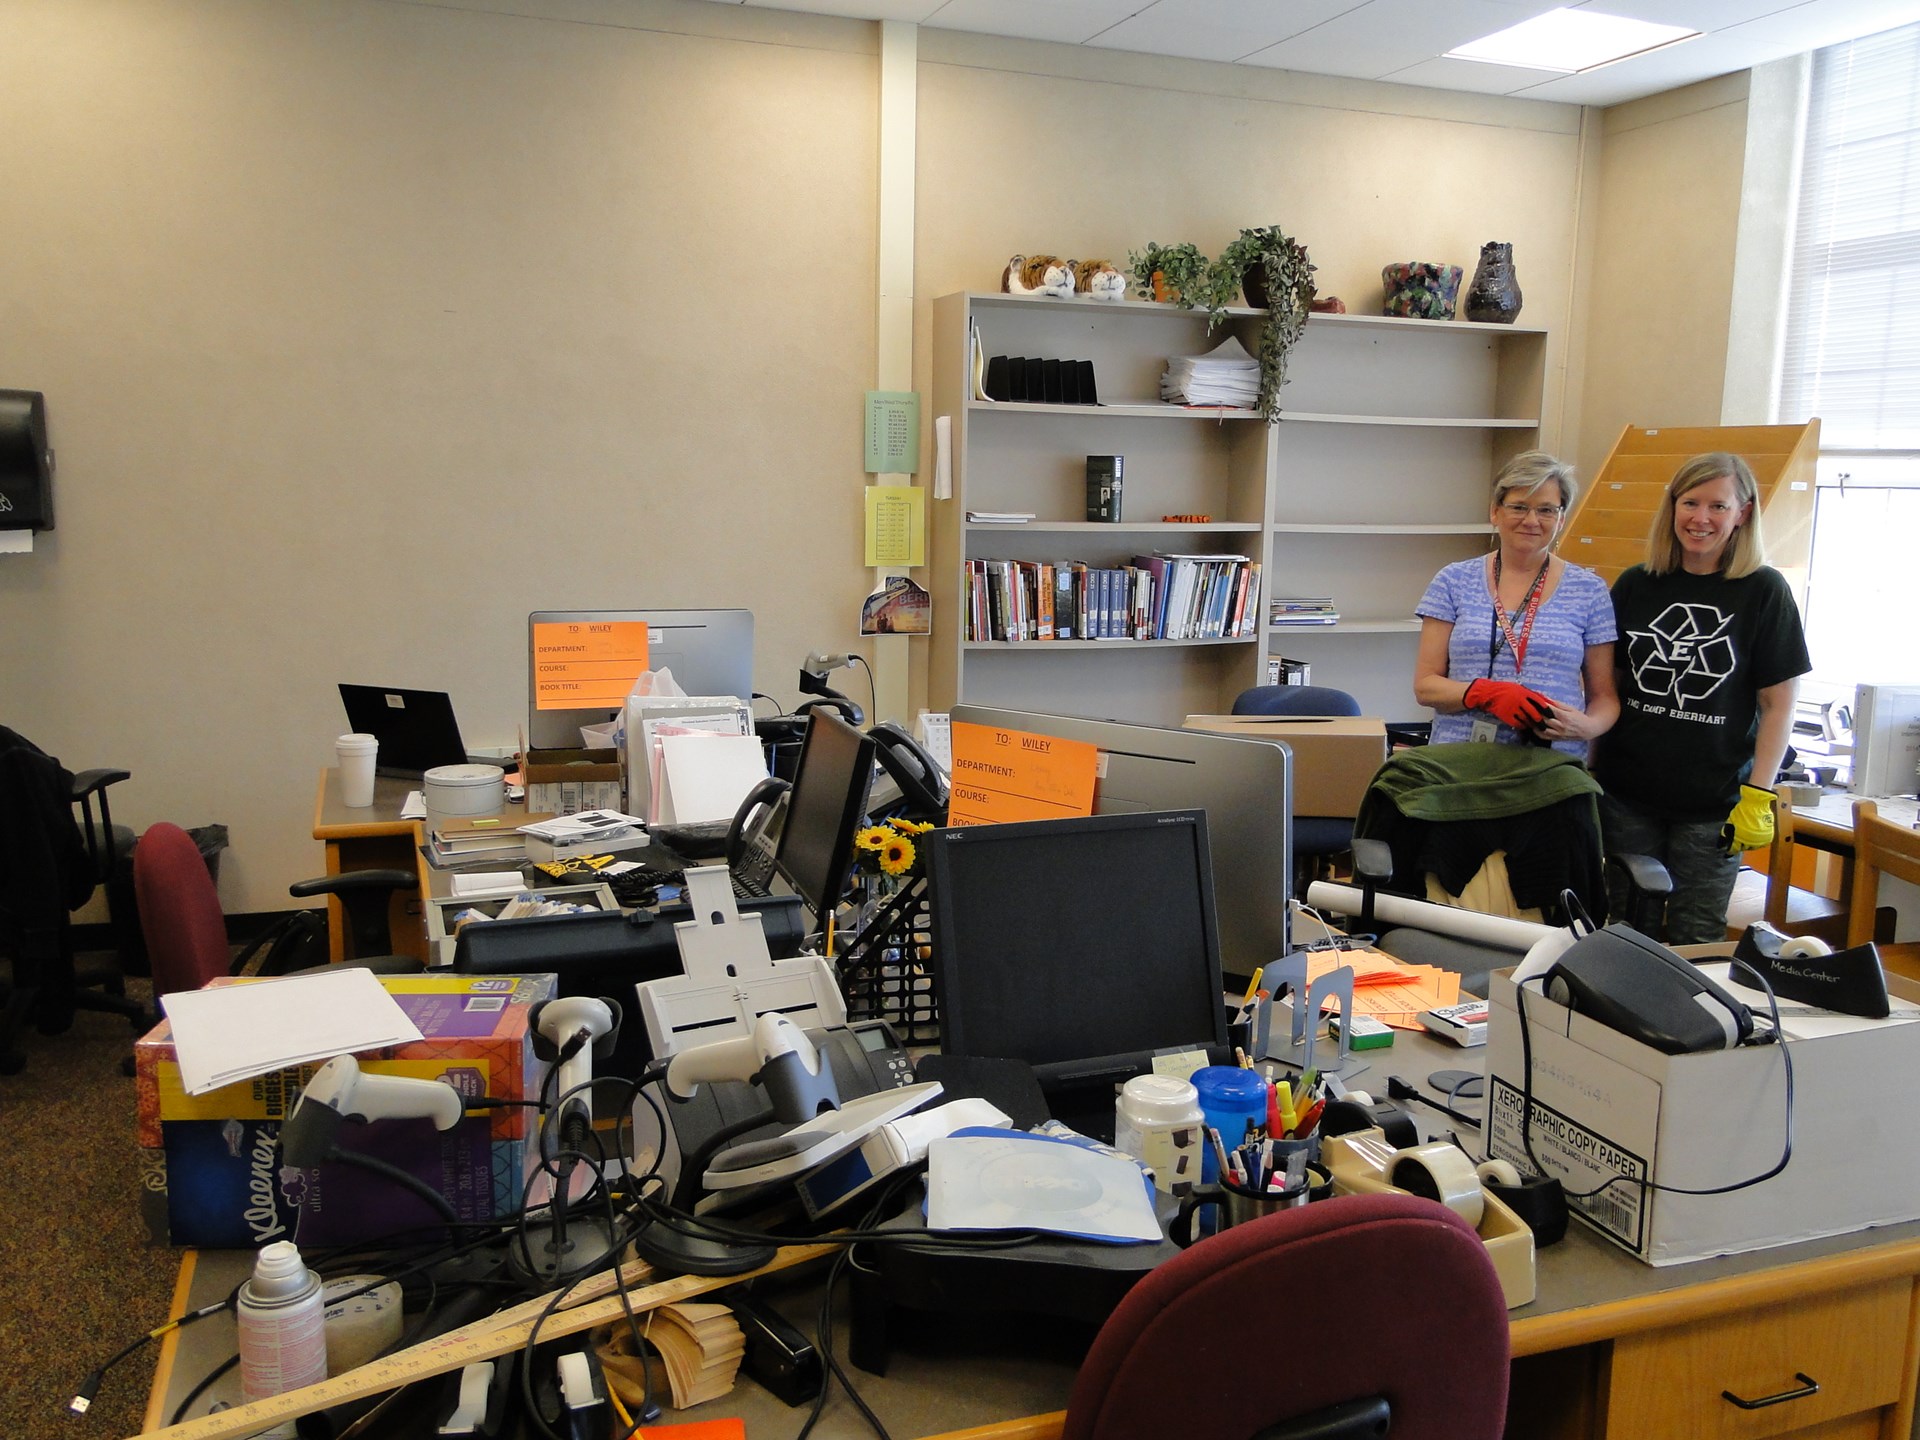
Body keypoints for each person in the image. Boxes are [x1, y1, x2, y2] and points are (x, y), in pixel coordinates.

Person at [1593, 452, 1811, 945]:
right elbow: (1605, 688)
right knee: (1621, 932)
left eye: (1718, 505)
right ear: (1672, 508)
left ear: (1743, 513)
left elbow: (1779, 704)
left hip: (1714, 805)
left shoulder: (1763, 591)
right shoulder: (1636, 583)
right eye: (1690, 502)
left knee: (1699, 939)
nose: (1701, 518)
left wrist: (1760, 792)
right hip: (1627, 796)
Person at [1414, 451, 1618, 759]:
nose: (1532, 520)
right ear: (1495, 512)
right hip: (1460, 764)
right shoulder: (1453, 580)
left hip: (1551, 766)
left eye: (1546, 510)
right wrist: (1486, 693)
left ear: (1561, 518)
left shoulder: (1589, 590)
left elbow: (1605, 698)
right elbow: (1425, 686)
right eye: (1519, 507)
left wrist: (1586, 726)